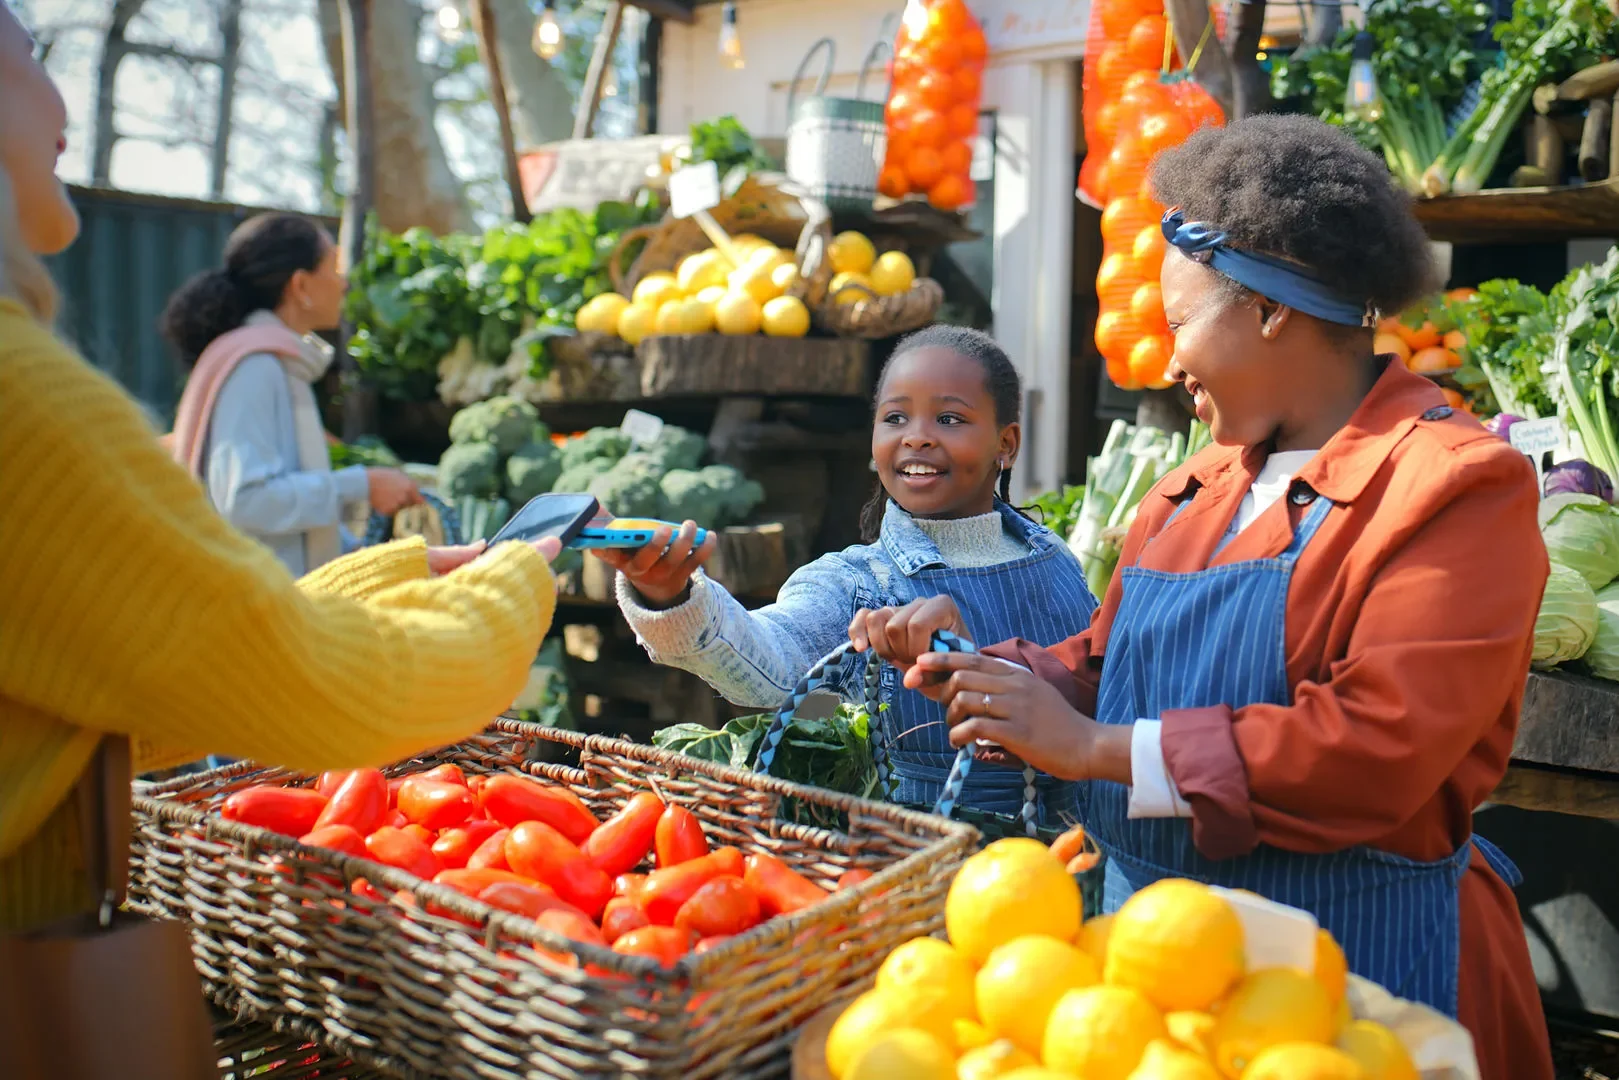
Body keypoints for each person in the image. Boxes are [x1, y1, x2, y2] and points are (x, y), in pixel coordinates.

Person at [855, 115, 1552, 1080]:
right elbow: (1106, 664)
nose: (1166, 361)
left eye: (1179, 321)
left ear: (1269, 308)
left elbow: (1378, 746)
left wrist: (1096, 750)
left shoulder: (1451, 485)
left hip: (1350, 983)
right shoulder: (1196, 486)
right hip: (1150, 990)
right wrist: (989, 671)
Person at [0, 4, 560, 936]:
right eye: (29, 54)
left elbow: (141, 657)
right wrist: (513, 582)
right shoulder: (27, 395)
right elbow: (307, 682)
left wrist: (399, 572)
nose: (60, 97)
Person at [601, 325, 1098, 821]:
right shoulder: (856, 583)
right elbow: (768, 665)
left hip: (1080, 861)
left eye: (949, 418)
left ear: (1005, 444)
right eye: (895, 417)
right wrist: (671, 596)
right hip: (920, 865)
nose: (917, 436)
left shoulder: (1056, 560)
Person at [159, 212, 420, 576]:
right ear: (300, 286)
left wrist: (360, 556)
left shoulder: (276, 362)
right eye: (333, 267)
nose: (343, 283)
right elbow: (245, 500)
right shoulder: (256, 368)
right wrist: (361, 483)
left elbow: (287, 527)